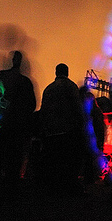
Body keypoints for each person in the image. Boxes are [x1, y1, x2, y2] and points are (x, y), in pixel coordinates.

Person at [0, 50, 36, 200]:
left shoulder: (0, 77)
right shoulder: (25, 82)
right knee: (13, 160)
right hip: (16, 127)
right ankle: (11, 191)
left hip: (1, 125)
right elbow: (32, 105)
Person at [38, 63, 85, 196]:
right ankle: (66, 188)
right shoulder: (71, 87)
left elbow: (44, 110)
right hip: (67, 130)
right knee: (66, 161)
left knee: (53, 161)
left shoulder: (49, 89)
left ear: (56, 73)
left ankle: (52, 188)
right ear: (67, 72)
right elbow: (77, 108)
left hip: (51, 131)